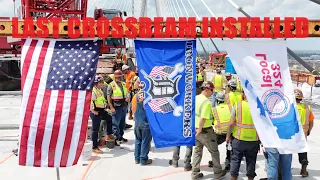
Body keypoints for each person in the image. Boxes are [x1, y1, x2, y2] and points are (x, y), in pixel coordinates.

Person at [191, 81, 226, 180]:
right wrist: (200, 129)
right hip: (205, 131)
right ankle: (218, 173)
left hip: (195, 130)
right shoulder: (206, 102)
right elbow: (203, 118)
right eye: (211, 90)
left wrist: (197, 129)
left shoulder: (196, 98)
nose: (212, 92)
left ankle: (195, 173)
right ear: (206, 89)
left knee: (197, 151)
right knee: (214, 151)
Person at [226, 90, 260, 180]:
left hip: (238, 138)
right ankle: (250, 178)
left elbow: (231, 123)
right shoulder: (258, 106)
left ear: (243, 95)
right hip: (253, 140)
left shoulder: (237, 105)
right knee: (251, 160)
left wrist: (228, 136)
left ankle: (233, 177)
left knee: (235, 159)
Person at [90, 75, 115, 153]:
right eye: (101, 82)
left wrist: (105, 108)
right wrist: (93, 111)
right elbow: (89, 102)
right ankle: (94, 147)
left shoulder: (99, 90)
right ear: (97, 83)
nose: (102, 84)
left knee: (109, 118)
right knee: (95, 130)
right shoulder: (93, 91)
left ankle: (109, 133)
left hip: (101, 111)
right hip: (96, 112)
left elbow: (101, 101)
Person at [208, 92, 232, 171]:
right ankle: (228, 164)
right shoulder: (231, 107)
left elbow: (211, 121)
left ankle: (214, 162)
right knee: (229, 148)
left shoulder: (214, 109)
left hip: (219, 132)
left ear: (217, 100)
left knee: (213, 147)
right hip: (230, 132)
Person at [132, 78, 153, 165]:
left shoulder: (134, 97)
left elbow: (133, 110)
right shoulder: (147, 97)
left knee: (138, 140)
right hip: (145, 123)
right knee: (145, 141)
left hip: (137, 123)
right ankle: (143, 159)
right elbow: (150, 110)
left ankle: (137, 158)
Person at [295, 88, 314, 177]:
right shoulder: (307, 108)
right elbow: (311, 122)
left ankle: (284, 171)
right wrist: (308, 131)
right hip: (302, 135)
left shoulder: (289, 107)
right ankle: (303, 170)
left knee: (286, 153)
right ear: (301, 98)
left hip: (290, 135)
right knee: (303, 152)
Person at [107, 70, 130, 145]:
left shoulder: (123, 84)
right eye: (117, 77)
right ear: (114, 77)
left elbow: (126, 93)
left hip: (123, 105)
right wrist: (111, 107)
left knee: (122, 123)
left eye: (120, 77)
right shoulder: (111, 85)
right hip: (116, 106)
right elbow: (109, 97)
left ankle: (120, 136)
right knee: (115, 123)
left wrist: (127, 97)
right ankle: (116, 138)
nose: (119, 78)